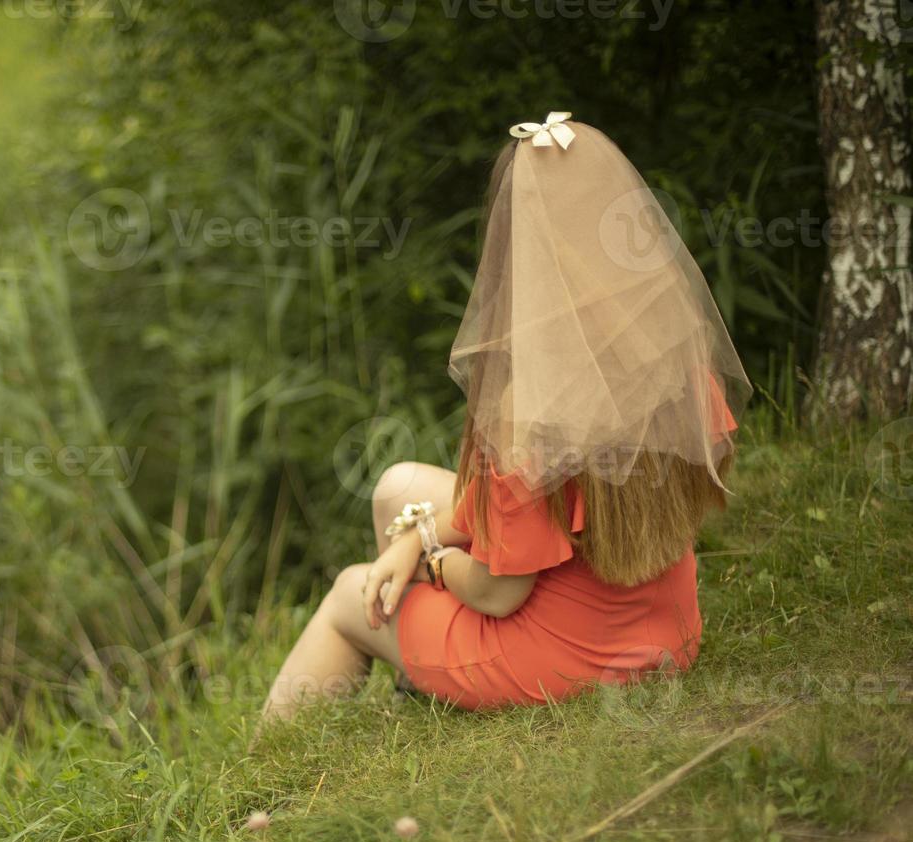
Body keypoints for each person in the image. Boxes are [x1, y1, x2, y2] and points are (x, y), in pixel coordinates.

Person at [262, 112, 749, 721]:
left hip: (565, 660)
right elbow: (523, 511)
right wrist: (416, 536)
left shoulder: (531, 408)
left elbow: (498, 592)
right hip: (664, 632)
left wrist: (429, 563)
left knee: (343, 597)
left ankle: (257, 792)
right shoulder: (669, 351)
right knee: (400, 490)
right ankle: (419, 678)